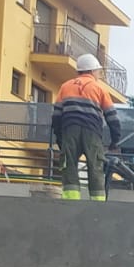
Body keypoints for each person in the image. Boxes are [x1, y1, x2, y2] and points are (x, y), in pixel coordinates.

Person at [51, 54, 122, 201]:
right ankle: (97, 203)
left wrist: (59, 137)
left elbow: (56, 116)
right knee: (95, 165)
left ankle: (71, 200)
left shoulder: (65, 87)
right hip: (92, 132)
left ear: (79, 71)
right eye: (98, 71)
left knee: (69, 165)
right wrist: (115, 140)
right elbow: (112, 117)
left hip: (70, 130)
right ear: (92, 71)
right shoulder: (99, 89)